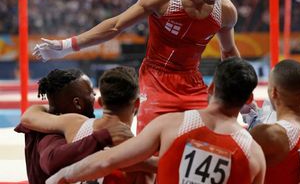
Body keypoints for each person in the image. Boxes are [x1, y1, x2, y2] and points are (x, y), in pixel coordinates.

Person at [33, 0, 240, 133]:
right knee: (150, 143)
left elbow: (229, 52)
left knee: (207, 139)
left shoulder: (226, 11)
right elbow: (116, 25)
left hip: (192, 82)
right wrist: (68, 45)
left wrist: (244, 96)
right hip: (155, 78)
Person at [46, 57, 266, 184]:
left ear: (211, 87)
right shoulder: (254, 154)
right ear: (249, 99)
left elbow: (108, 161)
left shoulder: (171, 124)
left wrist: (60, 178)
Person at [21, 66, 148, 183]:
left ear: (101, 101)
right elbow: (51, 161)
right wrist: (102, 137)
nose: (93, 96)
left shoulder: (61, 121)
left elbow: (28, 116)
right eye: (91, 92)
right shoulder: (60, 129)